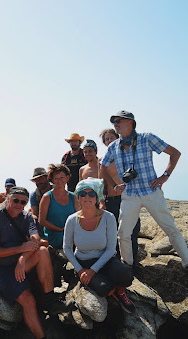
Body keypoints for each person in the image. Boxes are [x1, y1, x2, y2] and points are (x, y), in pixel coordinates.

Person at [101, 110, 188, 269]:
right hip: (130, 195)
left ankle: (187, 261)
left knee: (170, 228)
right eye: (114, 121)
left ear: (130, 122)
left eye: (119, 121)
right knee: (123, 234)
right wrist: (114, 185)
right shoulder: (114, 147)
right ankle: (127, 266)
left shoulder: (147, 138)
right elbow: (103, 167)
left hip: (151, 192)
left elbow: (175, 153)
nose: (115, 124)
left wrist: (165, 176)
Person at [0, 187, 66, 339]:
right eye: (16, 200)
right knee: (28, 300)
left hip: (17, 261)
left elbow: (35, 240)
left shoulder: (26, 217)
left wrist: (22, 258)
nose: (19, 204)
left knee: (43, 252)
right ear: (8, 198)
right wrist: (20, 249)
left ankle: (50, 301)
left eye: (23, 202)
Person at [63, 178, 135, 313]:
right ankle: (111, 289)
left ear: (97, 197)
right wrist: (80, 270)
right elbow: (66, 247)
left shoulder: (108, 217)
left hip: (106, 260)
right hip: (84, 263)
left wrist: (93, 271)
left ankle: (120, 293)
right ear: (78, 198)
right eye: (83, 194)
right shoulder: (72, 220)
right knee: (104, 289)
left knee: (126, 274)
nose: (87, 197)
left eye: (91, 194)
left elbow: (110, 249)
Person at [99, 127, 141, 267]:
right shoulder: (103, 160)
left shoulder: (126, 155)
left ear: (117, 138)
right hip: (111, 200)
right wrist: (101, 202)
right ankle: (118, 263)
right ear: (104, 143)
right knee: (114, 232)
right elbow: (101, 183)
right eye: (107, 139)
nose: (109, 140)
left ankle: (132, 264)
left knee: (132, 231)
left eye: (112, 137)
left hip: (128, 198)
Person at [39, 164, 80, 249]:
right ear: (52, 180)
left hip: (72, 237)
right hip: (54, 238)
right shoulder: (47, 197)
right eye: (56, 178)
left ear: (67, 178)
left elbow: (79, 216)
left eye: (62, 177)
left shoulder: (73, 196)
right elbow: (42, 221)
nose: (59, 181)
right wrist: (60, 229)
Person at [29, 167, 52, 237]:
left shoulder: (56, 190)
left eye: (41, 179)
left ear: (47, 178)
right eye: (36, 180)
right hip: (42, 225)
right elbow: (34, 213)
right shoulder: (34, 195)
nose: (38, 182)